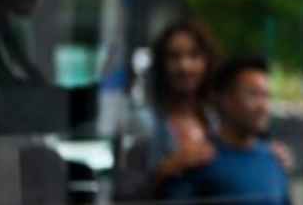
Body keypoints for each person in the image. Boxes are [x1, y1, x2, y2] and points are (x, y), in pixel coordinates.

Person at [114, 20, 222, 200]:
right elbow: (122, 192)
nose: (184, 66)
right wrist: (166, 170)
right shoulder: (140, 122)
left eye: (194, 56)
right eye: (174, 57)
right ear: (161, 64)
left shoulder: (215, 121)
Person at [167, 55, 292, 205]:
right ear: (225, 99)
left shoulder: (275, 160)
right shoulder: (199, 159)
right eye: (252, 94)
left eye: (266, 96)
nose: (262, 106)